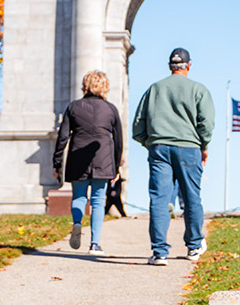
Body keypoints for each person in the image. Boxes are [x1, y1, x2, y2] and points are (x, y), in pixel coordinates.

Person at [132, 47, 214, 265]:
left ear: (170, 66)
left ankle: (159, 252)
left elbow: (138, 126)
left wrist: (150, 143)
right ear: (188, 66)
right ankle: (194, 246)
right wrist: (203, 145)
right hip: (189, 148)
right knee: (191, 197)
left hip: (159, 147)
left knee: (159, 199)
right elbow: (206, 123)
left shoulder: (154, 89)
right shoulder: (198, 89)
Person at [52, 69, 123, 257]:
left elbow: (63, 136)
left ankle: (77, 223)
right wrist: (117, 165)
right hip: (103, 156)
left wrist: (57, 161)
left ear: (85, 85)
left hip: (78, 155)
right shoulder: (111, 109)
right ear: (105, 86)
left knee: (79, 197)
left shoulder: (73, 107)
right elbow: (118, 140)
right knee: (99, 201)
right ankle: (94, 244)